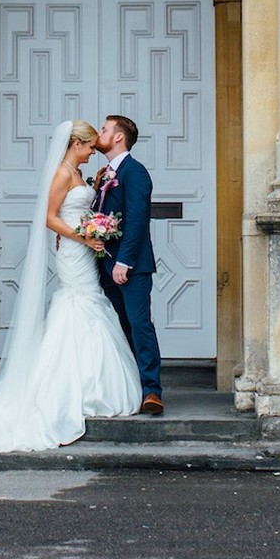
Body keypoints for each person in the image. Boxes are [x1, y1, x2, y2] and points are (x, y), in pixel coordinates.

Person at [0, 119, 141, 453]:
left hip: (83, 251)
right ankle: (66, 388)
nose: (94, 152)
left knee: (89, 303)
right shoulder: (63, 173)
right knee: (76, 304)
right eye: (90, 147)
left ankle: (91, 384)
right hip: (73, 252)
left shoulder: (82, 175)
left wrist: (94, 224)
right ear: (76, 144)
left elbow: (82, 208)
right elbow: (50, 217)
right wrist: (83, 237)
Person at [94, 114, 163, 415]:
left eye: (105, 129)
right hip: (104, 266)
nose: (100, 133)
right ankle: (130, 386)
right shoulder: (104, 174)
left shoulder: (135, 172)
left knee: (139, 325)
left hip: (130, 266)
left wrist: (124, 261)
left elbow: (137, 219)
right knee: (119, 328)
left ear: (119, 137)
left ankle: (152, 391)